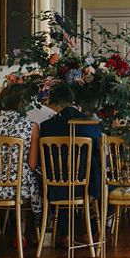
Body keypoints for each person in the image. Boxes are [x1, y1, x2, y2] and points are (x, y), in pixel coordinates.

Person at [39, 83, 102, 240]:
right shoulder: (89, 124)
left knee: (57, 175)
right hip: (85, 186)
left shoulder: (46, 126)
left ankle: (64, 232)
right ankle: (92, 229)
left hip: (54, 187)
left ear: (54, 102)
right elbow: (99, 153)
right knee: (103, 178)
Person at [0, 81, 42, 230]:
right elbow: (32, 165)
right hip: (18, 189)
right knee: (32, 176)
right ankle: (25, 230)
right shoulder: (30, 126)